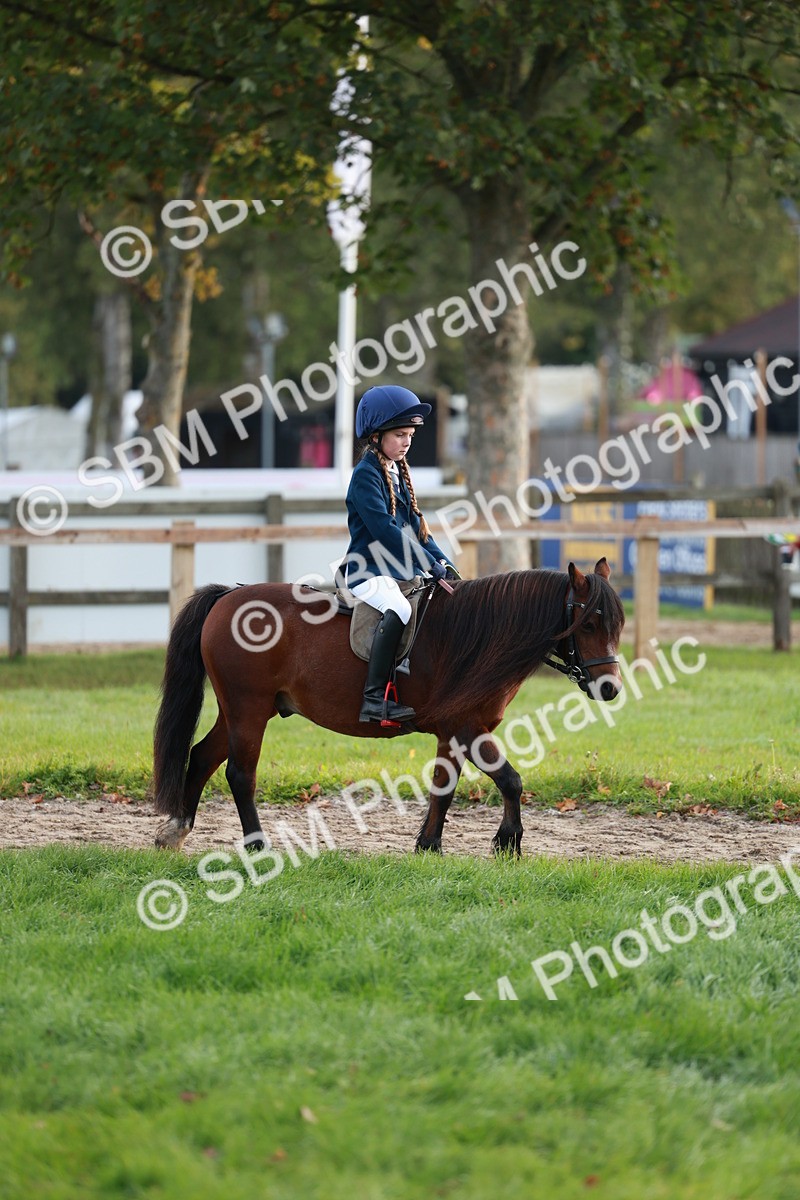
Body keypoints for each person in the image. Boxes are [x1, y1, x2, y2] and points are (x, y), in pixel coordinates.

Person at [341, 384, 456, 725]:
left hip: (395, 572)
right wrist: (427, 564)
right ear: (376, 436)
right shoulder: (365, 475)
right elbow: (385, 530)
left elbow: (418, 529)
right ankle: (373, 699)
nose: (407, 442)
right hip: (366, 571)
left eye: (410, 436)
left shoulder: (397, 471)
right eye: (400, 435)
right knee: (400, 608)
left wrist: (445, 564)